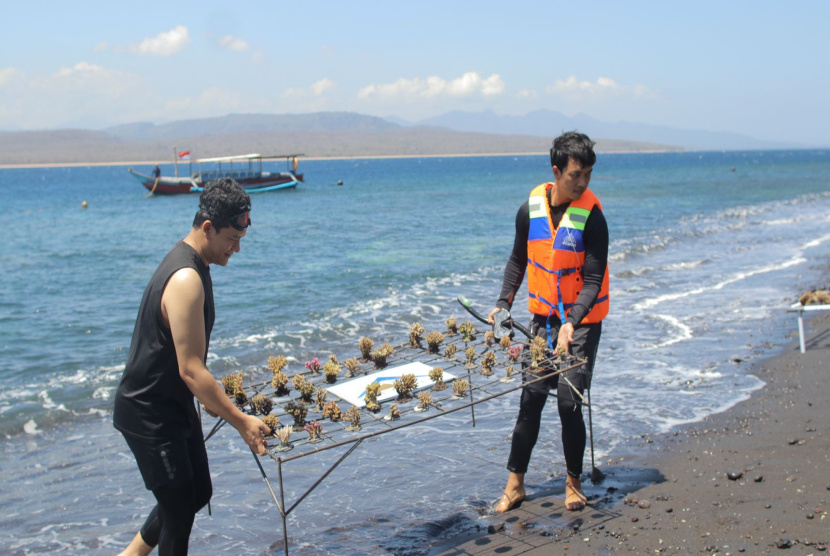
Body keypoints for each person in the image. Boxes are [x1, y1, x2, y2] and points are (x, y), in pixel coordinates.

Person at [114, 178, 269, 555]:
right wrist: (242, 421)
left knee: (198, 492)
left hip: (173, 405)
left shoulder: (199, 264)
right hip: (149, 413)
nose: (237, 249)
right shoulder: (186, 278)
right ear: (207, 228)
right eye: (232, 239)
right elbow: (191, 370)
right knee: (179, 512)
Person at [487, 131, 609, 514]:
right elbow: (517, 262)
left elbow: (592, 279)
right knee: (531, 399)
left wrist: (573, 321)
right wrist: (502, 303)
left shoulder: (593, 218)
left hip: (582, 320)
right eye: (576, 175)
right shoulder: (530, 210)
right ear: (556, 171)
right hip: (543, 320)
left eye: (588, 174)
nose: (583, 183)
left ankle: (573, 483)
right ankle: (515, 484)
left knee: (569, 403)